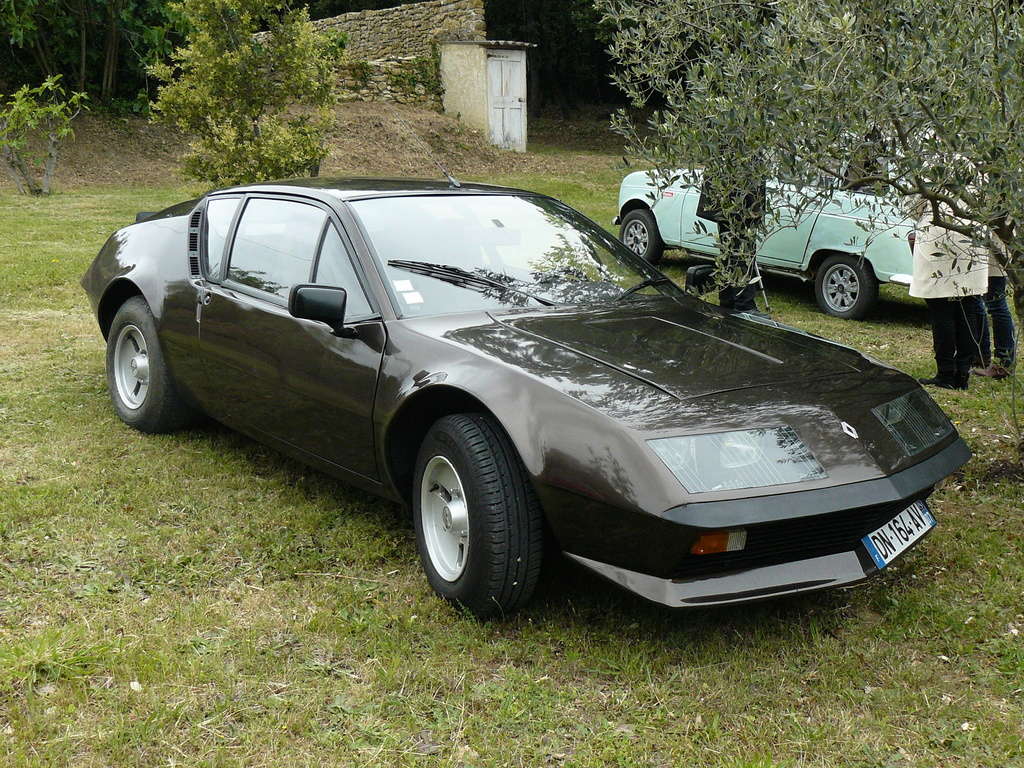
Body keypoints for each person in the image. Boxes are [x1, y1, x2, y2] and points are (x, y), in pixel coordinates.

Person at [909, 199, 988, 390]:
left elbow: (912, 207)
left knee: (942, 313)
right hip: (971, 240)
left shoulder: (928, 172)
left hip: (939, 240)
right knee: (967, 311)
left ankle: (946, 374)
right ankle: (962, 373)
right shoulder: (979, 169)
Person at [972, 256, 1016, 379]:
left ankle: (1003, 364)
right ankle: (984, 356)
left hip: (993, 256)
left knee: (997, 305)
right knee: (989, 303)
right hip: (989, 256)